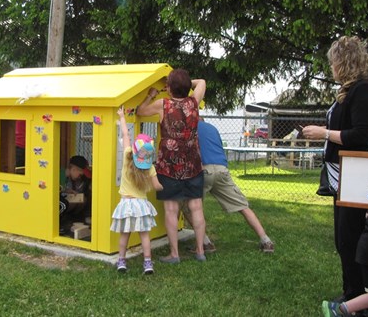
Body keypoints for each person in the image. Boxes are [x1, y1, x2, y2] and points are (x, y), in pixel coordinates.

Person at [302, 36, 368, 316]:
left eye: (334, 62)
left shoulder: (363, 90)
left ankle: (358, 299)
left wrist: (324, 133)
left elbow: (362, 136)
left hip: (356, 176)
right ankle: (351, 292)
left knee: (351, 238)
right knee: (343, 238)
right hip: (342, 177)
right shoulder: (349, 90)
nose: (332, 68)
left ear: (345, 61)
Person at [136, 68, 207, 263]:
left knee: (171, 210)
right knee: (196, 207)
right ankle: (200, 251)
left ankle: (175, 254)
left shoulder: (163, 105)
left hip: (169, 166)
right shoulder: (194, 102)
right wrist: (185, 83)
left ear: (169, 89)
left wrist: (150, 95)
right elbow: (201, 81)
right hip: (193, 164)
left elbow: (140, 112)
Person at [182, 120, 274, 254]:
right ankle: (266, 241)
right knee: (243, 206)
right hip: (222, 169)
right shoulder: (212, 128)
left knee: (189, 207)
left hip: (203, 170)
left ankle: (205, 243)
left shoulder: (188, 127)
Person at [111, 106, 163, 274]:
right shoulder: (150, 168)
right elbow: (157, 187)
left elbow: (125, 135)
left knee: (124, 235)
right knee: (144, 236)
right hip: (141, 205)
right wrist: (163, 186)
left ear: (134, 150)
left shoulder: (127, 157)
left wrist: (122, 116)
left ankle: (121, 261)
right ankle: (148, 263)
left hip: (126, 204)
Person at [59, 155, 92, 233]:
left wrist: (66, 190)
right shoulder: (60, 175)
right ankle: (58, 225)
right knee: (64, 204)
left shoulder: (67, 178)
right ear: (73, 169)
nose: (80, 177)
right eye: (80, 174)